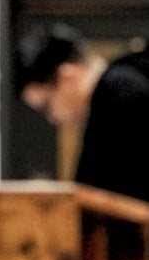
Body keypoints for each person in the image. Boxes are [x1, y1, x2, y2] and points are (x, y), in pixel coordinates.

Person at [16, 25, 149, 204]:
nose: (52, 117)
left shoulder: (119, 94)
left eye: (47, 105)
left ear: (67, 76)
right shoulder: (121, 84)